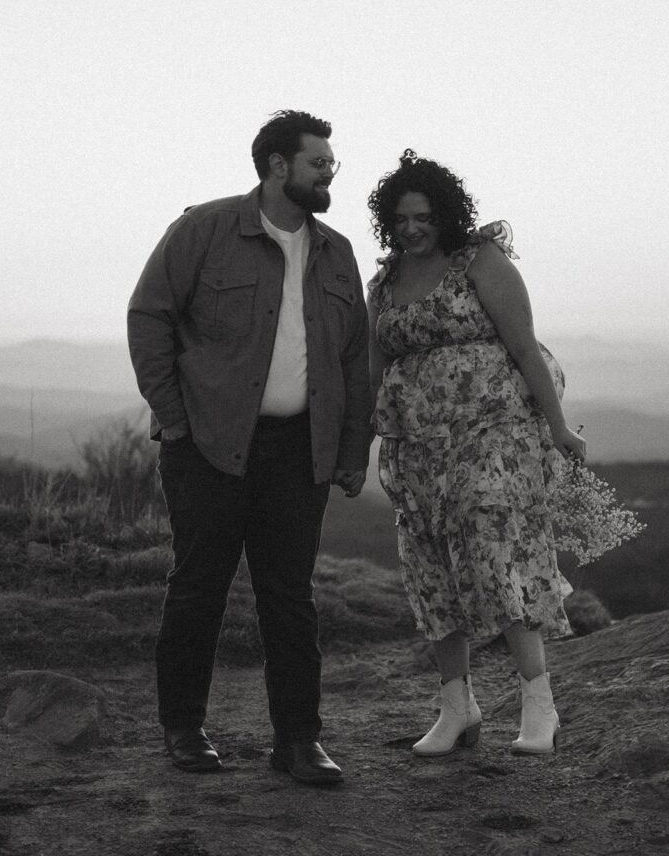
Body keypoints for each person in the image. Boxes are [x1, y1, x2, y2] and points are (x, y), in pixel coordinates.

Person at [127, 110, 371, 786]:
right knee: (198, 588)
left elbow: (355, 358)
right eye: (318, 161)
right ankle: (184, 727)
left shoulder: (336, 251)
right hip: (207, 445)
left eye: (331, 162)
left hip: (299, 452)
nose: (330, 171)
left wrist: (352, 449)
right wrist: (173, 418)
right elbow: (149, 316)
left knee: (289, 597)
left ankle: (298, 742)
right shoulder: (203, 229)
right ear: (276, 167)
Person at [366, 149, 586, 758]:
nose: (412, 228)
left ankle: (538, 701)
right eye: (401, 218)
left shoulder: (479, 261)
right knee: (429, 563)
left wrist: (560, 428)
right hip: (414, 446)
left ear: (447, 214)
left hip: (495, 433)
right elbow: (371, 371)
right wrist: (350, 447)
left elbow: (524, 348)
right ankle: (457, 706)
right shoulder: (384, 282)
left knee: (490, 543)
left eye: (424, 216)